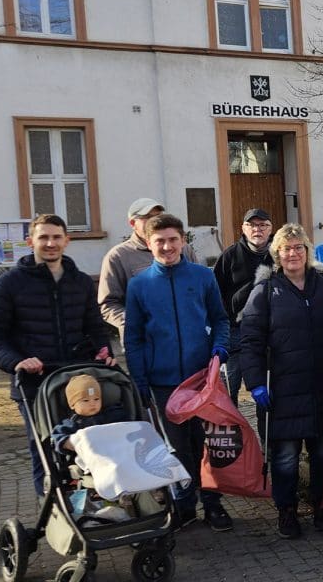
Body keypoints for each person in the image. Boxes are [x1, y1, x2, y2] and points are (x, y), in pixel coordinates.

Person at [0, 213, 114, 496]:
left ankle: (93, 504)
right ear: (31, 242)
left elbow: (95, 328)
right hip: (35, 384)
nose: (50, 243)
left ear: (67, 240)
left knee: (87, 442)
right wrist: (17, 361)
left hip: (77, 382)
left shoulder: (80, 282)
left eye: (56, 237)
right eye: (43, 237)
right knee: (45, 448)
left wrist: (104, 352)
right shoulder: (8, 285)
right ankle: (52, 510)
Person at [239, 224, 323, 540]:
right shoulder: (265, 291)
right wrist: (256, 383)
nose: (293, 253)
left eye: (298, 247)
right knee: (285, 457)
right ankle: (287, 511)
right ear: (277, 254)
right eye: (286, 248)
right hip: (282, 392)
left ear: (307, 251)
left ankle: (322, 506)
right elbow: (250, 341)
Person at [124, 213, 232, 531]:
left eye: (173, 240)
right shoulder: (139, 285)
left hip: (201, 380)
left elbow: (221, 320)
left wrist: (219, 349)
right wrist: (140, 380)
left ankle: (213, 504)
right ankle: (185, 506)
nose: (167, 246)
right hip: (163, 382)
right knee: (178, 448)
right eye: (160, 241)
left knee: (208, 445)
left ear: (182, 241)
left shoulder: (202, 277)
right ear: (148, 243)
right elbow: (134, 338)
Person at [98, 198, 196, 342]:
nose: (154, 222)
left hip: (187, 336)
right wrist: (136, 321)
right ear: (132, 223)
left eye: (158, 216)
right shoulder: (118, 256)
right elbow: (108, 304)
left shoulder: (183, 248)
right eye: (148, 217)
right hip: (144, 342)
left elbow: (198, 288)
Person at [213, 208, 275, 404]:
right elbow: (215, 293)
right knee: (229, 391)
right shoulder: (229, 256)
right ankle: (233, 433)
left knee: (267, 387)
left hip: (270, 332)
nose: (257, 229)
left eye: (262, 225)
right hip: (235, 332)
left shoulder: (279, 255)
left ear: (270, 229)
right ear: (243, 228)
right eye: (252, 225)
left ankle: (266, 432)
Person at [51, 374, 128, 454]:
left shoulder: (111, 414)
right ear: (72, 405)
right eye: (85, 401)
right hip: (89, 457)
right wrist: (70, 443)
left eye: (96, 399)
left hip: (116, 450)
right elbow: (57, 437)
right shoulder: (73, 423)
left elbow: (126, 426)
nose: (92, 403)